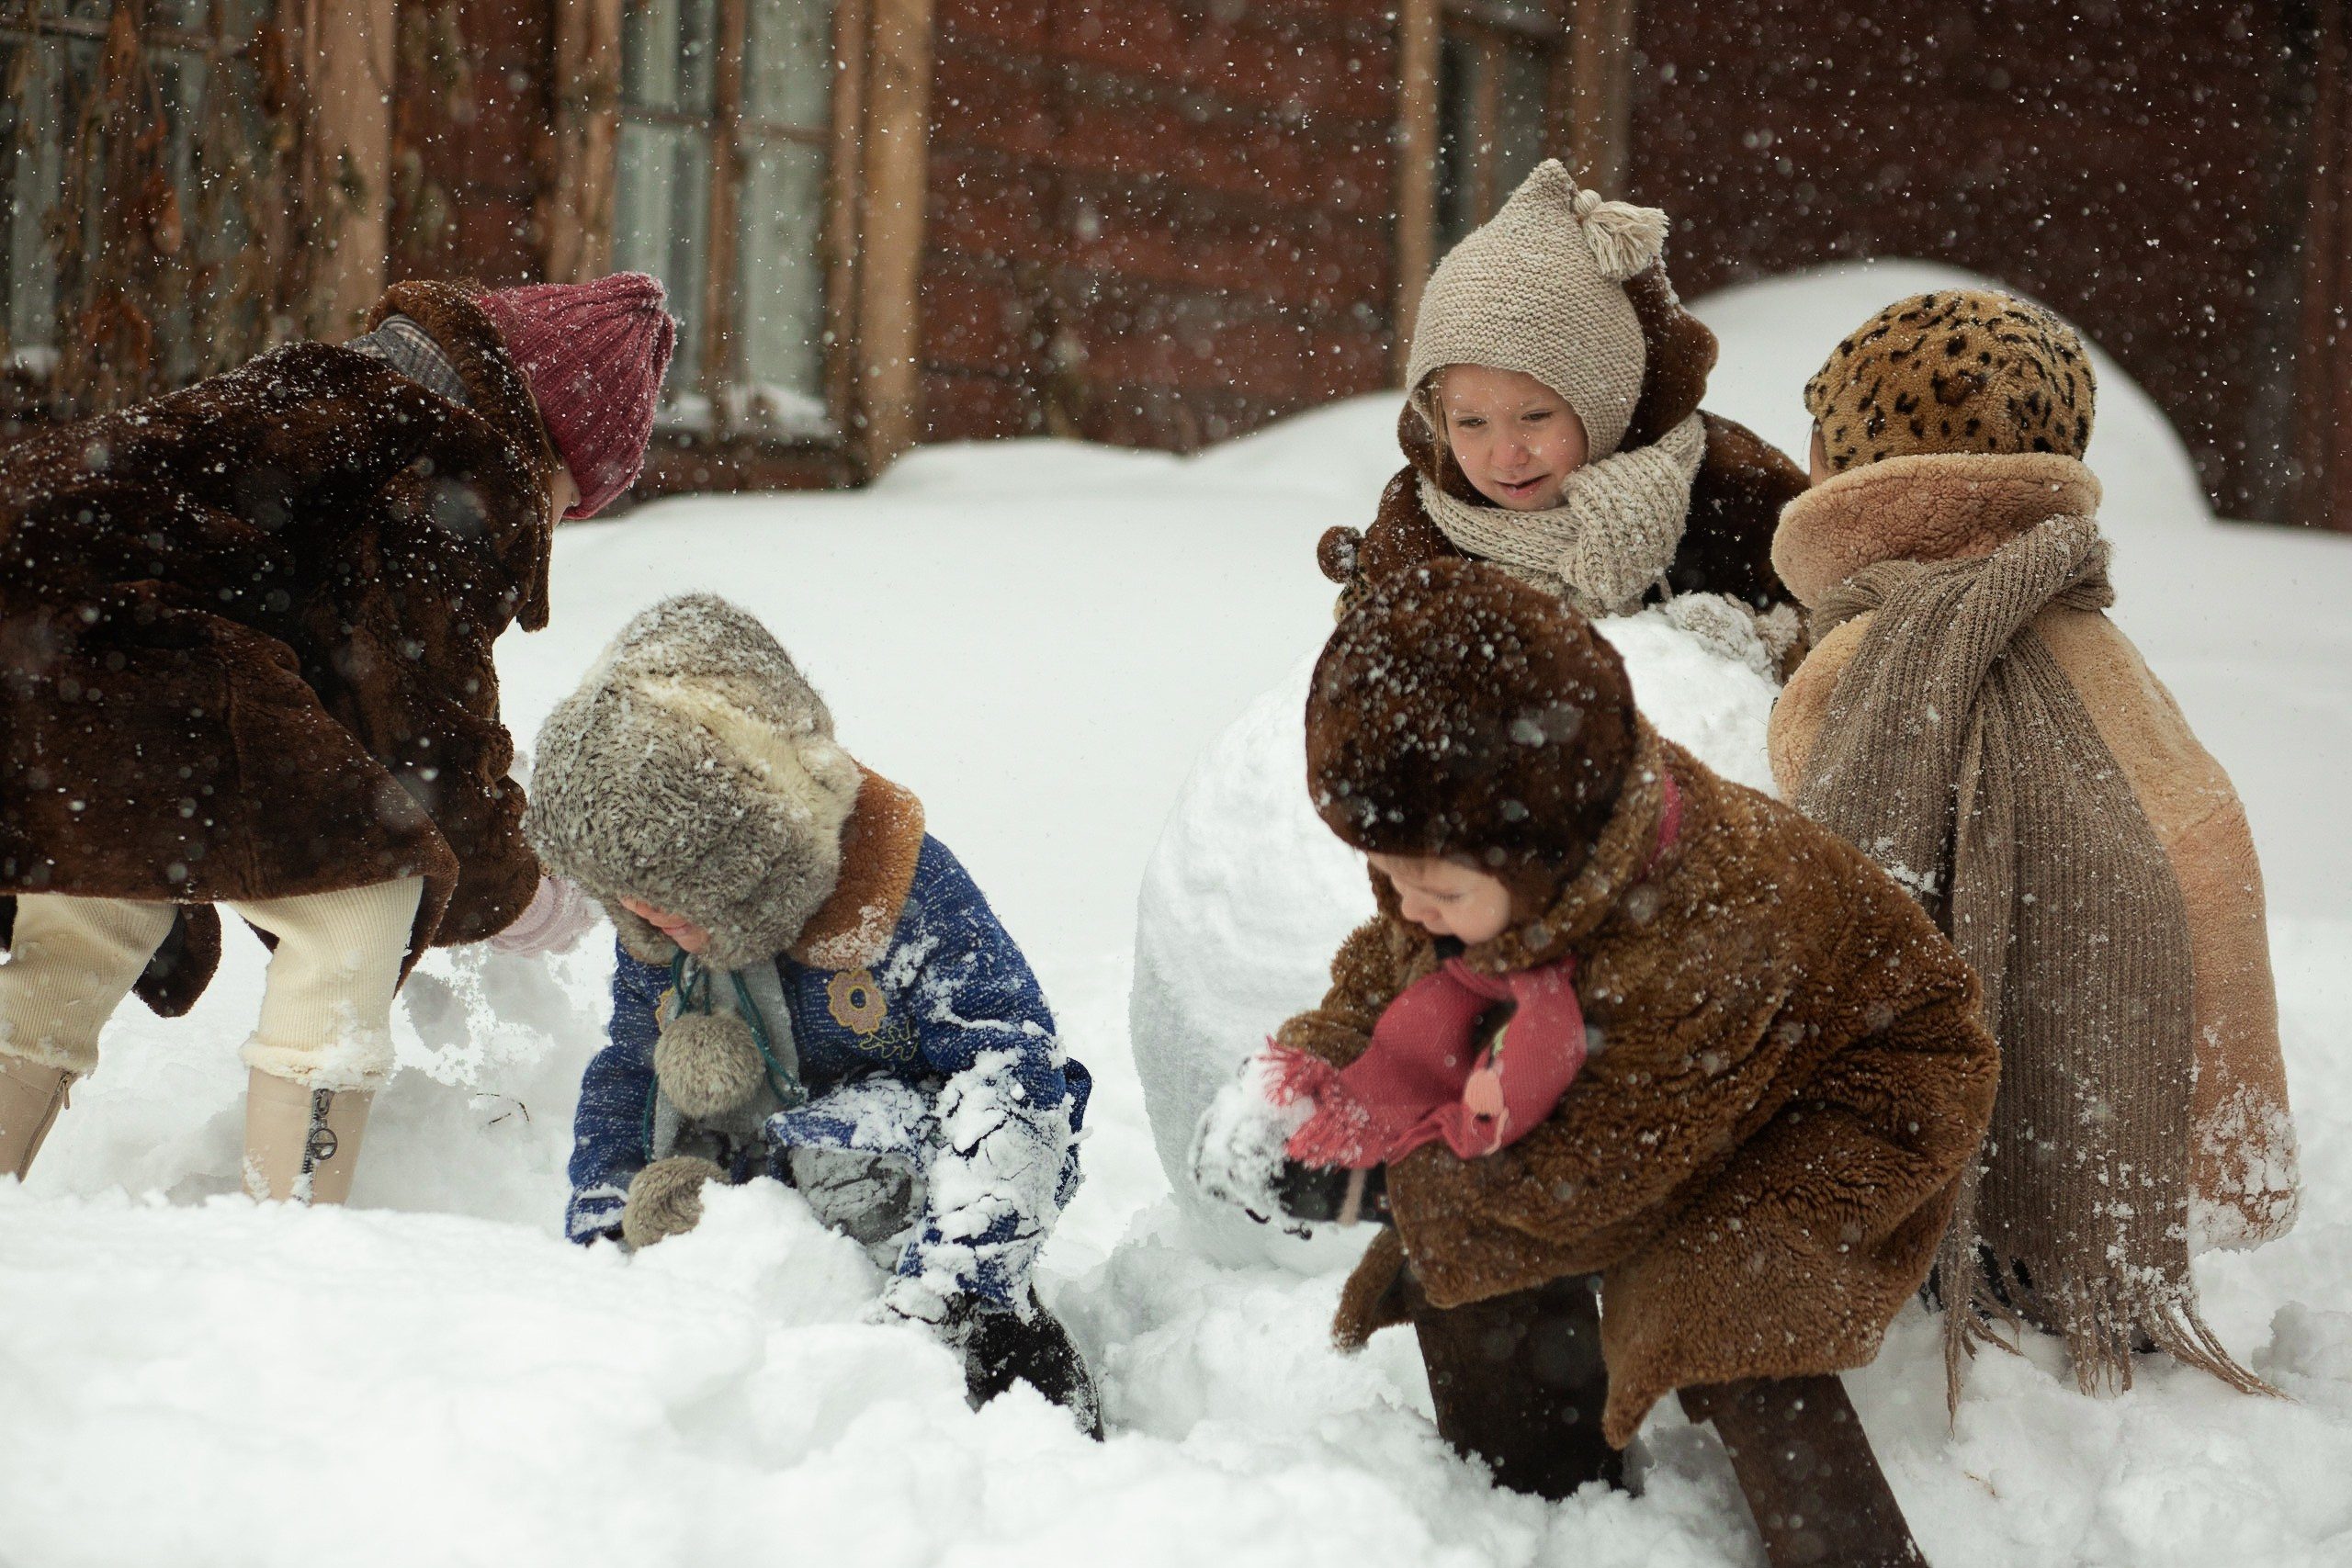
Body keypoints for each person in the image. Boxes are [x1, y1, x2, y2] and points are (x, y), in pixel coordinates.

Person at [1193, 559, 1998, 1565]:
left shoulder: (1706, 925)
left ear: (1537, 854)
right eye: (1387, 874)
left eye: (1428, 883)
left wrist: (1375, 1186)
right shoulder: (1498, 854)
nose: (1405, 906)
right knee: (1459, 1236)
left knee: (1718, 1286)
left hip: (1848, 1081)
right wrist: (1314, 1077)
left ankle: (1845, 1546)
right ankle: (1540, 1490)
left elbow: (1595, 1185)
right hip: (1659, 1062)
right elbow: (1393, 975)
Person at [0, 272, 673, 1202]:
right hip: (127, 651)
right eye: (570, 499)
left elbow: (331, 672)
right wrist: (519, 894)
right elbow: (418, 720)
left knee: (101, 892)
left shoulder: (345, 392)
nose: (555, 523)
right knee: (362, 894)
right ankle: (294, 1244)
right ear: (550, 441)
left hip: (39, 624)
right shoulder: (456, 462)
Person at [1770, 288, 2297, 1393]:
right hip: (2151, 1156)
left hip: (1976, 1203)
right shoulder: (2093, 637)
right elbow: (2195, 842)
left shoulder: (1868, 656)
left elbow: (1831, 874)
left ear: (1850, 465)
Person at [527, 593, 1101, 1435]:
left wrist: (949, 1291)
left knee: (847, 1162)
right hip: (744, 1244)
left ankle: (1008, 1371)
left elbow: (1016, 1076)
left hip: (906, 1228)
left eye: (675, 891)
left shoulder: (898, 894)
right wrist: (608, 1227)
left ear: (759, 842)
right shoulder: (655, 930)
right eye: (626, 897)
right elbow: (630, 1069)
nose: (646, 918)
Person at [1316, 160, 1806, 664]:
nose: (1507, 455)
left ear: (1602, 402)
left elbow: (1834, 619)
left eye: (1534, 418)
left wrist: (1748, 647)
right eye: (1471, 423)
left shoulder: (1730, 488)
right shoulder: (1423, 528)